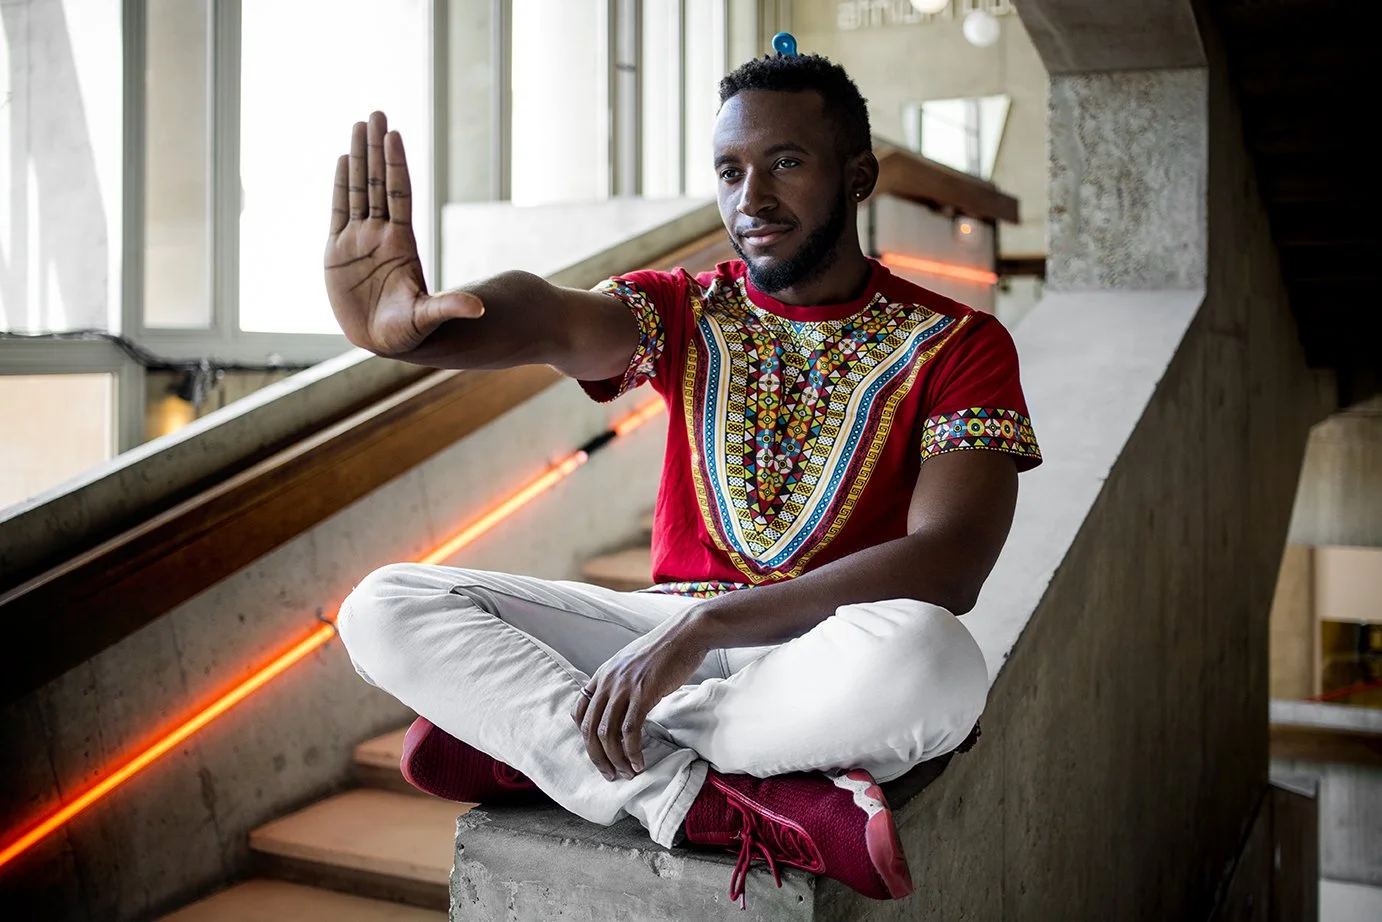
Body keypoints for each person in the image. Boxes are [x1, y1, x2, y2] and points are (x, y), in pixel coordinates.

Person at [326, 50, 1040, 905]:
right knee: (384, 606)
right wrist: (414, 332)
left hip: (816, 652)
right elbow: (551, 316)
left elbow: (951, 562)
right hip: (656, 634)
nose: (753, 198)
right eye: (730, 171)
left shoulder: (957, 344)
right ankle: (692, 795)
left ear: (859, 175)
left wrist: (705, 628)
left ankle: (545, 743)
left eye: (786, 163)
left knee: (937, 664)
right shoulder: (688, 310)